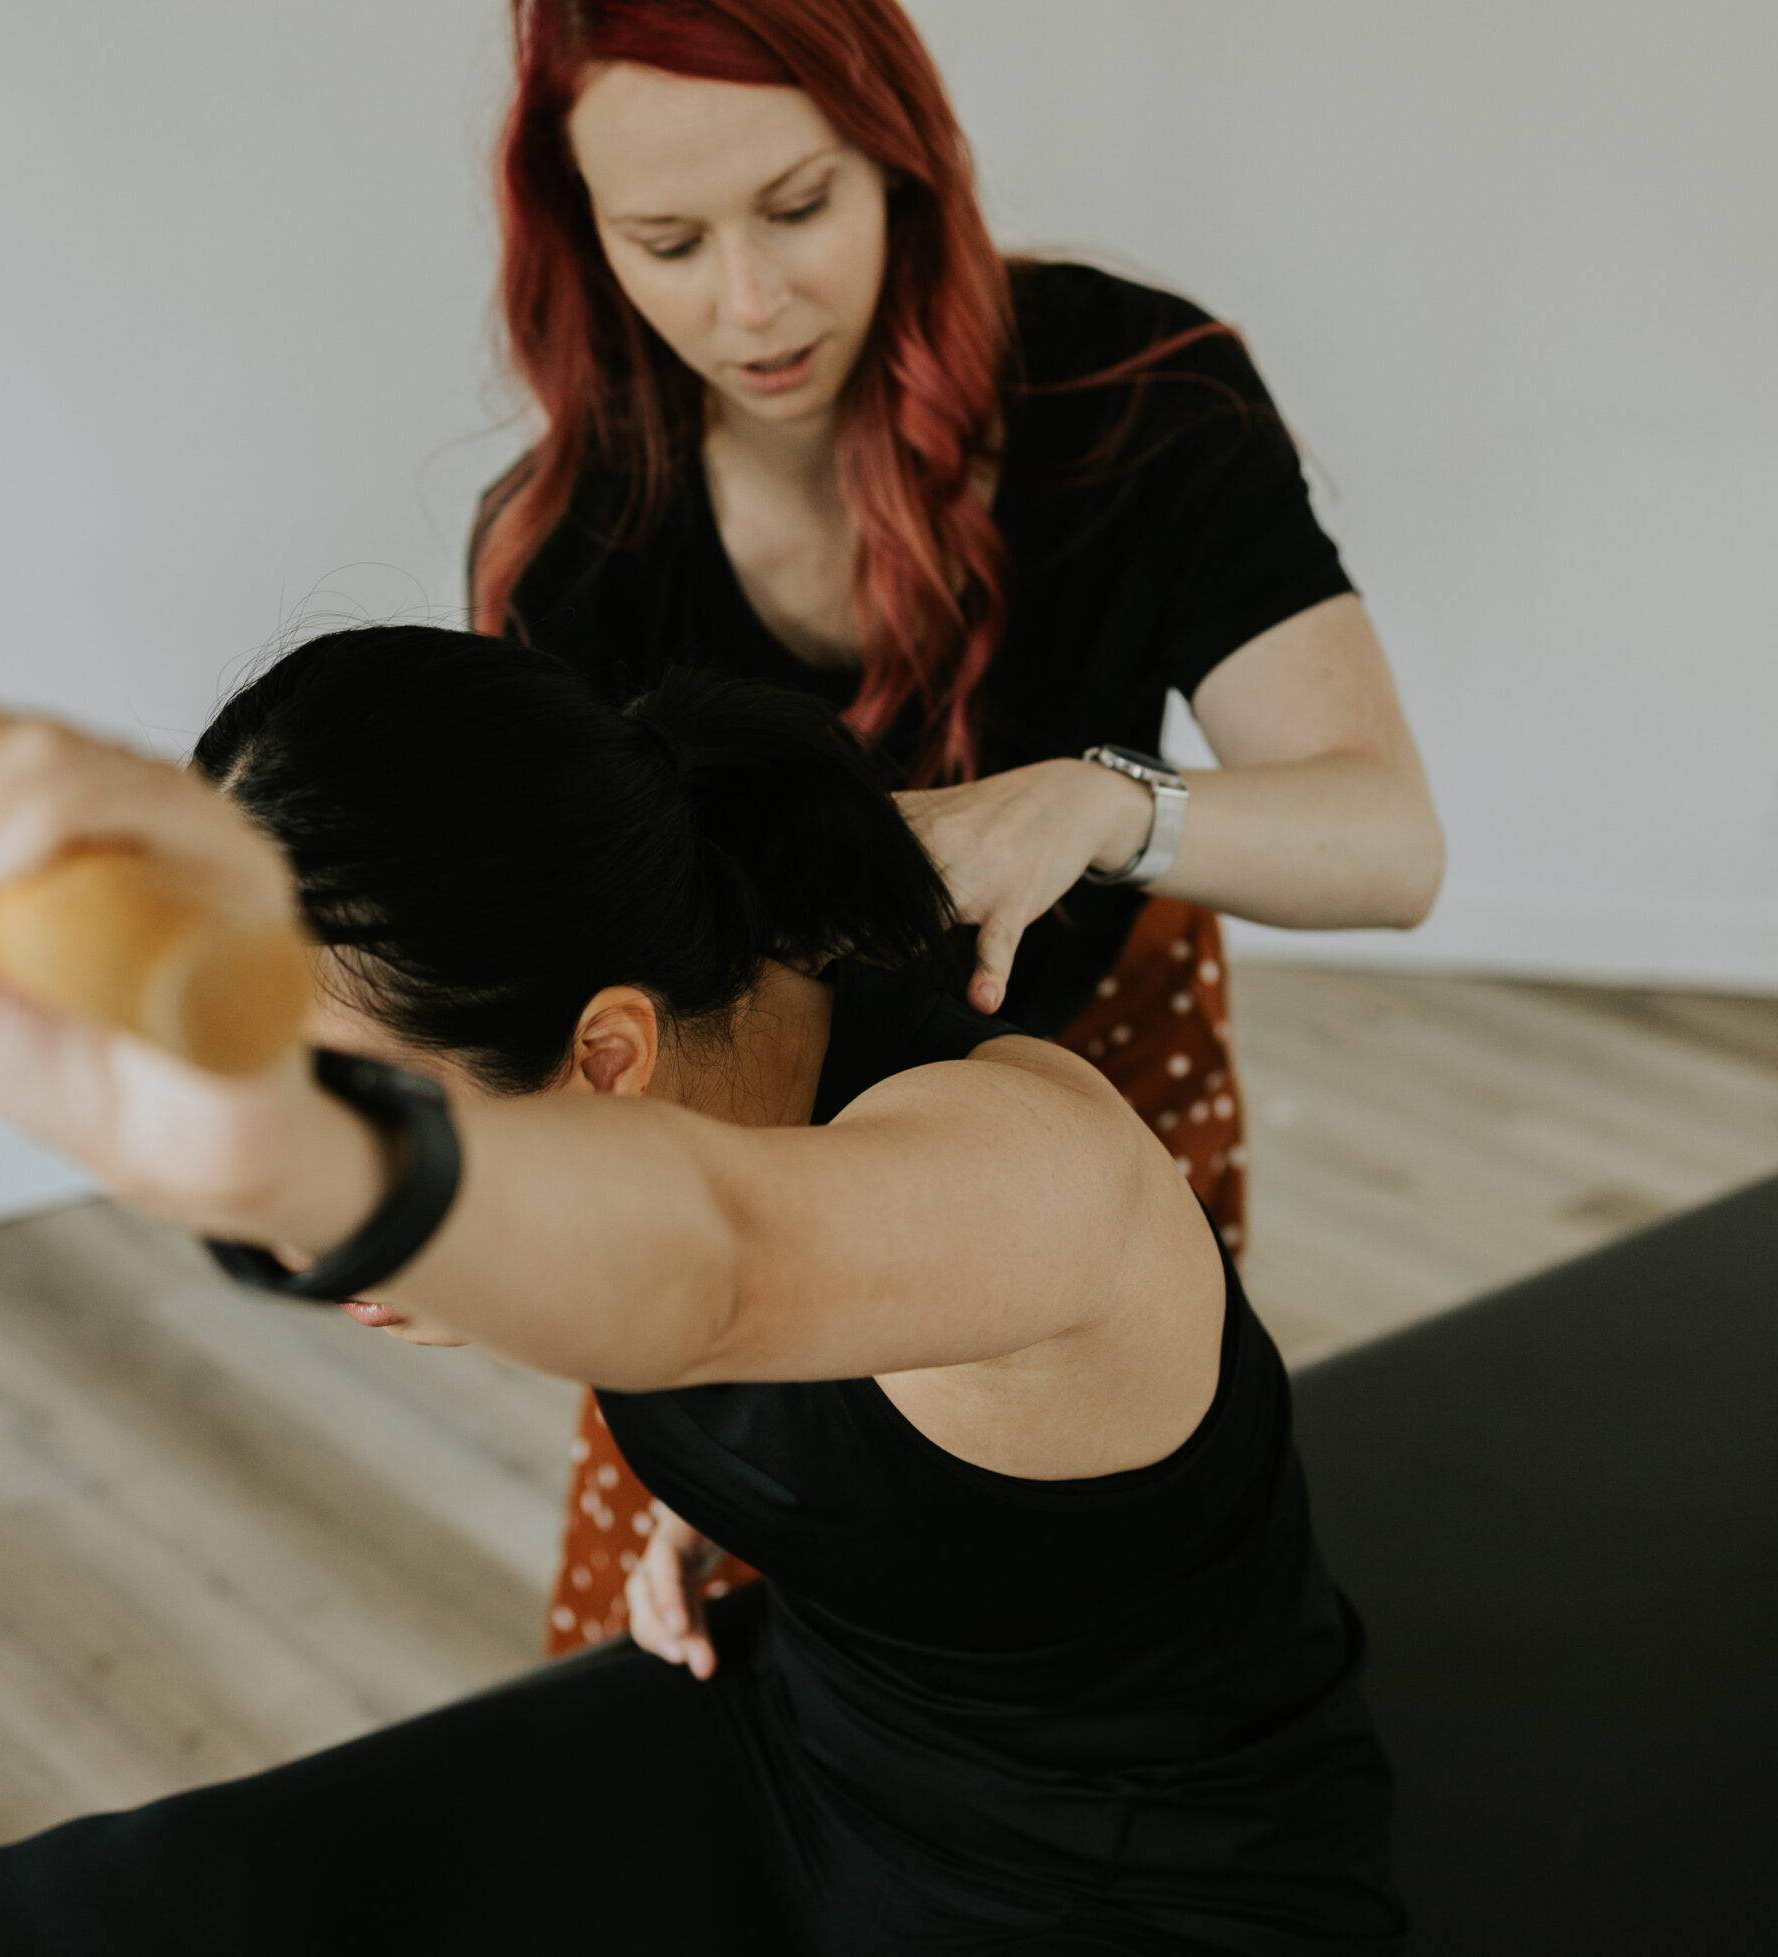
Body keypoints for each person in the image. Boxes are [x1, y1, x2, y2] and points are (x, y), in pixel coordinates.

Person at [0, 625, 1404, 1956]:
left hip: (1145, 1912)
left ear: (608, 1055)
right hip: (794, 1749)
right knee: (108, 1915)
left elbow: (714, 1272)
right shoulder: (564, 1012)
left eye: (355, 1097)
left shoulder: (1034, 1171)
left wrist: (266, 1159)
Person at [471, 0, 1444, 1648]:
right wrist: (697, 1446)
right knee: (673, 1652)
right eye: (668, 240)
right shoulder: (569, 554)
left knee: (1084, 1616)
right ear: (583, 239)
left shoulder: (1143, 397)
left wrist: (1095, 801)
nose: (752, 303)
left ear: (902, 159)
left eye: (800, 206)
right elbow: (605, 1066)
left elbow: (1388, 844)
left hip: (1091, 1076)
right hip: (747, 1141)